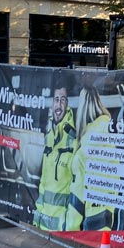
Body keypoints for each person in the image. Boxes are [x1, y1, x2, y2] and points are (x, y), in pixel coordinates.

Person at [66, 85, 114, 230]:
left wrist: (71, 227)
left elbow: (78, 189)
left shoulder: (86, 140)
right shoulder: (109, 127)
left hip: (92, 211)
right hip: (110, 208)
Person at [33, 81, 77, 231]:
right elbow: (43, 184)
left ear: (68, 103)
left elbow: (77, 186)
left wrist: (68, 225)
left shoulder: (74, 138)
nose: (59, 105)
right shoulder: (49, 136)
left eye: (63, 100)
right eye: (56, 100)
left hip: (63, 228)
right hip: (44, 225)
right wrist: (37, 217)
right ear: (52, 103)